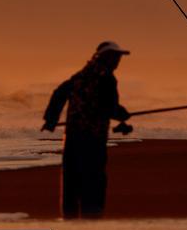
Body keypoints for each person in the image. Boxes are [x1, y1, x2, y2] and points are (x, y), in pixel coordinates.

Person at [41, 41, 132, 218]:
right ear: (106, 58)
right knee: (93, 179)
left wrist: (51, 120)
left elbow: (59, 93)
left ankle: (70, 218)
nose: (117, 61)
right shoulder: (106, 78)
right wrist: (122, 115)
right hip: (93, 139)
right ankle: (92, 218)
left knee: (72, 181)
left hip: (73, 138)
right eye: (115, 57)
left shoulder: (80, 76)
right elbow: (108, 106)